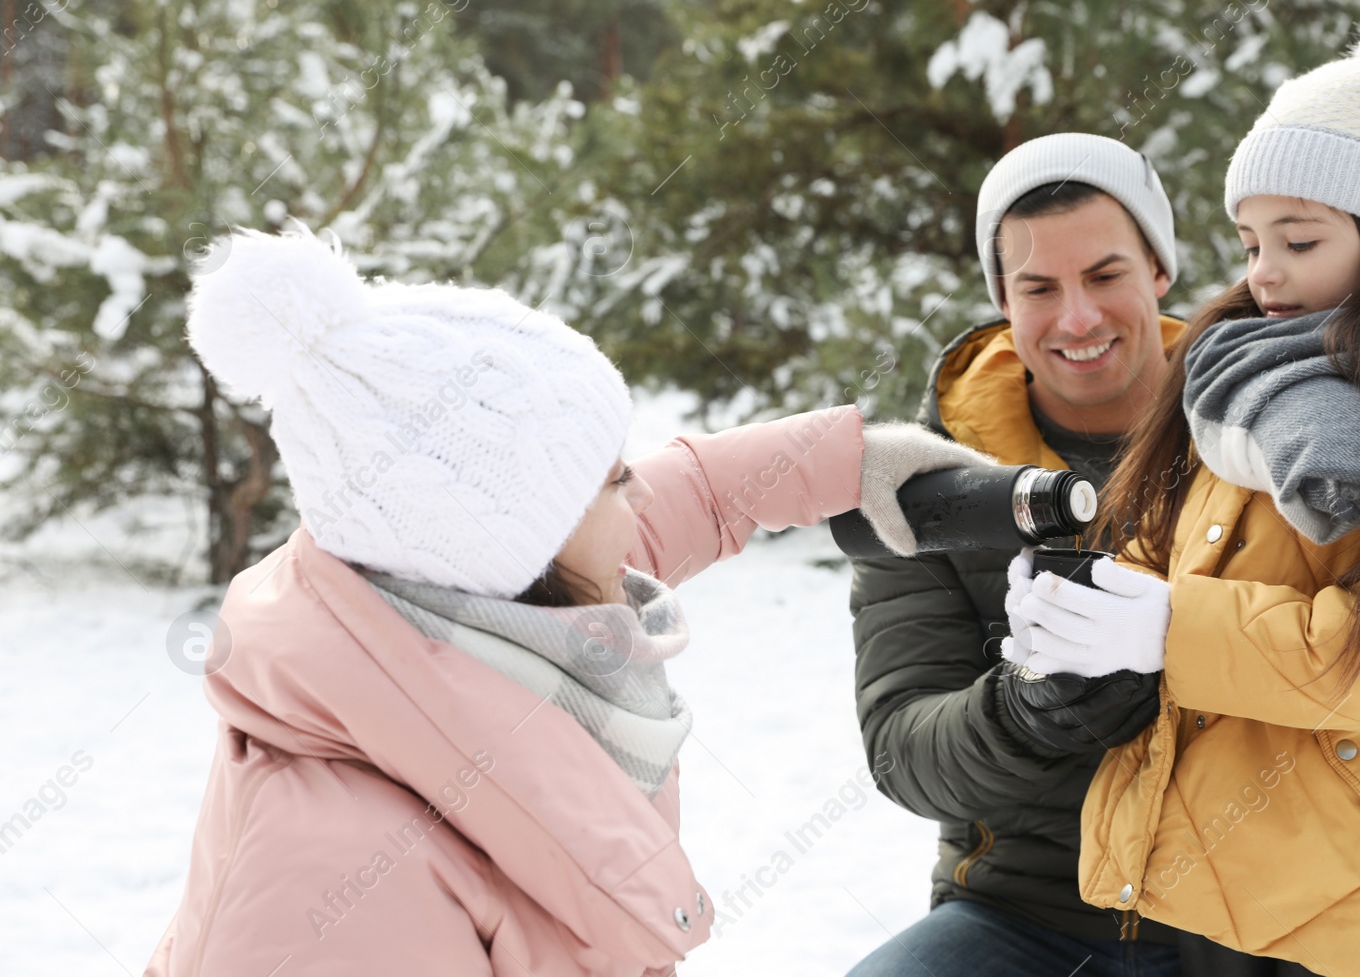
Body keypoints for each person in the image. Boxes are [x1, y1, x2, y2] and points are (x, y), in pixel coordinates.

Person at [142, 226, 987, 976]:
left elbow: (692, 492)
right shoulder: (341, 874)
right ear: (515, 546)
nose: (644, 499)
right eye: (616, 478)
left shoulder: (449, 618)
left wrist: (848, 463)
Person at [1004, 12, 1360, 975]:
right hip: (1214, 894)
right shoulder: (1243, 374)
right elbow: (1173, 550)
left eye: (1299, 240)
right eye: (1248, 241)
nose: (1262, 273)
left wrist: (1171, 629)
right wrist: (1088, 605)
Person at [846, 134, 1190, 976]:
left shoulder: (1262, 436)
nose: (1078, 318)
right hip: (1029, 913)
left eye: (1106, 275)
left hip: (1250, 920)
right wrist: (1022, 714)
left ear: (1158, 270)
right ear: (1003, 297)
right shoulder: (928, 485)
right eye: (1039, 288)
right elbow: (901, 747)